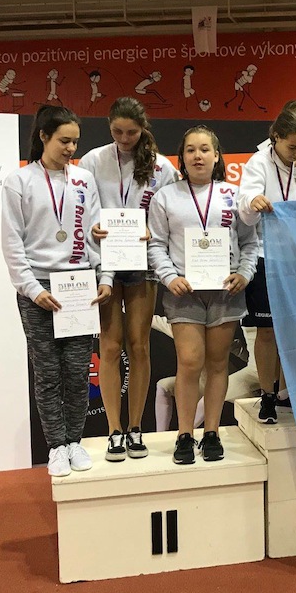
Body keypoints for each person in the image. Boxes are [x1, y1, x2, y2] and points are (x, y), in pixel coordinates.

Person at [0, 106, 112, 477]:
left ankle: (75, 441)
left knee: (78, 372)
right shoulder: (19, 181)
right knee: (47, 373)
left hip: (79, 287)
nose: (71, 149)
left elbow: (96, 233)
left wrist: (105, 276)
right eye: (64, 141)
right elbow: (12, 242)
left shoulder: (83, 180)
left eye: (75, 142)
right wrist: (32, 289)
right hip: (38, 290)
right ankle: (56, 446)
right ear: (44, 136)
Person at [148, 127, 259, 465]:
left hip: (225, 293)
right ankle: (184, 434)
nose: (198, 156)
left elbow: (250, 243)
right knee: (189, 362)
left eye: (205, 149)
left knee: (217, 364)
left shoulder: (234, 196)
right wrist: (170, 277)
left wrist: (244, 273)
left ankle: (211, 432)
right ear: (182, 157)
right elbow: (156, 245)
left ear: (216, 155)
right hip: (185, 294)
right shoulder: (166, 197)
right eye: (191, 150)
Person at [81, 97, 180, 464]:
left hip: (143, 263)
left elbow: (168, 213)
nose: (124, 138)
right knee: (109, 347)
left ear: (143, 129)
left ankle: (136, 427)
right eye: (117, 131)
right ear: (109, 127)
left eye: (132, 132)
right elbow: (83, 210)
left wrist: (153, 231)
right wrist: (92, 228)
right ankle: (114, 430)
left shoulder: (162, 167)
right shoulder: (92, 161)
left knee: (139, 347)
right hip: (105, 262)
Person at [238, 104, 296, 424]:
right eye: (292, 147)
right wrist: (253, 202)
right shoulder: (258, 162)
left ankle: (289, 392)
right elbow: (245, 212)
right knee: (267, 331)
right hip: (267, 256)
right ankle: (266, 395)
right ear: (276, 136)